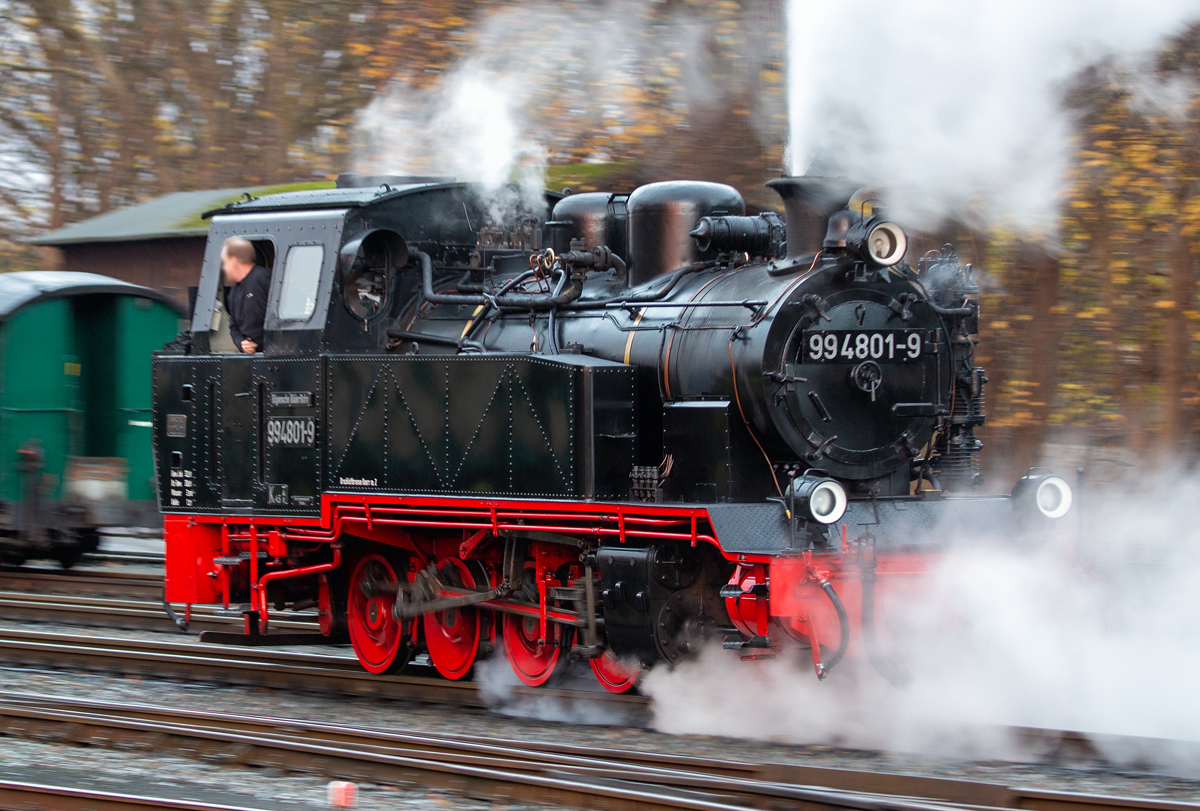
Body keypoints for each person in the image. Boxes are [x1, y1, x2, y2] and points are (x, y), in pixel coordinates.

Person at [221, 236, 271, 354]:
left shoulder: (264, 277)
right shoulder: (233, 292)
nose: (224, 268)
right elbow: (233, 327)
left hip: (274, 353)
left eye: (225, 262)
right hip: (254, 357)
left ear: (235, 261)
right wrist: (242, 343)